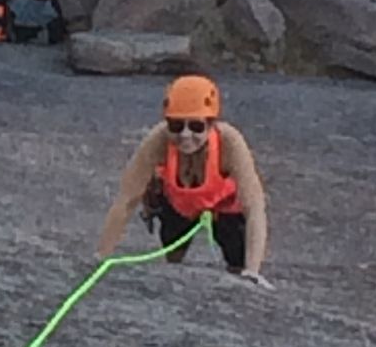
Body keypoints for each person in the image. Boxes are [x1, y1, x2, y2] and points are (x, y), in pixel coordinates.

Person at [95, 74, 271, 286]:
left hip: (225, 212)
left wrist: (252, 271)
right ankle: (174, 269)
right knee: (172, 240)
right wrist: (101, 256)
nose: (185, 135)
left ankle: (238, 266)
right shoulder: (158, 140)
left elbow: (254, 206)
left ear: (211, 124)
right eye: (176, 126)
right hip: (179, 208)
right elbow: (127, 199)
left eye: (196, 127)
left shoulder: (230, 143)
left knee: (237, 251)